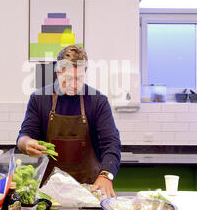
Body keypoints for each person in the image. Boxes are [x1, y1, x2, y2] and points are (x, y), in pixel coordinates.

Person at [17, 45, 121, 198]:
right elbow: (24, 136)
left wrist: (106, 175)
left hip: (89, 190)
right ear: (58, 73)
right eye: (68, 78)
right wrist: (26, 144)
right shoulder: (39, 99)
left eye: (78, 78)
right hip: (49, 191)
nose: (73, 84)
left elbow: (111, 143)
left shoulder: (98, 101)